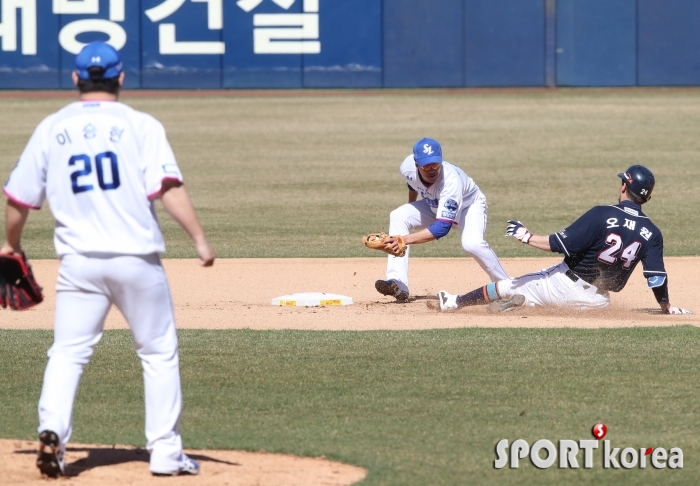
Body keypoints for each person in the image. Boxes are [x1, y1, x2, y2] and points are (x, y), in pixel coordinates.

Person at [1, 41, 216, 478]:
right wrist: (198, 239)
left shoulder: (51, 127)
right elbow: (167, 188)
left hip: (78, 263)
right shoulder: (141, 124)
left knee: (67, 353)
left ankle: (52, 433)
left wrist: (11, 246)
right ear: (120, 77)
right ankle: (165, 454)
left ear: (76, 78)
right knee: (157, 352)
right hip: (136, 260)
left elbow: (18, 200)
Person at [437, 165, 691, 315]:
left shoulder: (603, 214)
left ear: (624, 186)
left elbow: (559, 244)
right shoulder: (653, 233)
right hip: (597, 304)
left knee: (507, 285)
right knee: (538, 295)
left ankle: (455, 302)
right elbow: (656, 277)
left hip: (561, 286)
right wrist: (666, 306)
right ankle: (521, 305)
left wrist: (526, 236)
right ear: (646, 198)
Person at [375, 138, 508, 301]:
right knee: (398, 215)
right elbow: (413, 184)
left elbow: (442, 227)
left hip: (469, 207)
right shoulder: (406, 167)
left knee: (472, 244)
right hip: (436, 205)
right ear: (416, 164)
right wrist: (412, 206)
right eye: (426, 166)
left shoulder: (450, 181)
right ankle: (398, 284)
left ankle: (506, 287)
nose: (431, 170)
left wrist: (403, 239)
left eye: (435, 164)